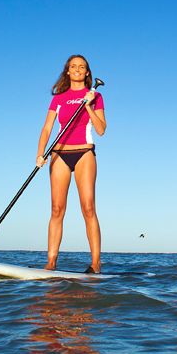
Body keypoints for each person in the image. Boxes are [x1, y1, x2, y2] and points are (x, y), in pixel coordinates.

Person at [36, 54, 106, 273]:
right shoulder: (58, 98)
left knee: (88, 207)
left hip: (84, 152)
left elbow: (101, 129)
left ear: (87, 72)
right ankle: (51, 261)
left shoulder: (96, 96)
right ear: (67, 71)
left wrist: (88, 106)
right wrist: (40, 154)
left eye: (82, 67)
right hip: (59, 154)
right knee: (57, 209)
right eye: (73, 66)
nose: (77, 69)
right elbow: (47, 128)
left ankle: (95, 264)